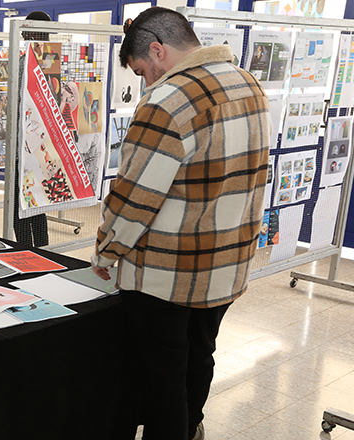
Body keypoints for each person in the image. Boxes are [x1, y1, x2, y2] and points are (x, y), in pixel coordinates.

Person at [90, 7, 271, 440]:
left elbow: (134, 197)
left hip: (167, 276)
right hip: (227, 266)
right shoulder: (249, 83)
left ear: (158, 48)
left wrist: (106, 250)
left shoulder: (167, 99)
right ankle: (191, 429)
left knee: (162, 379)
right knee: (199, 357)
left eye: (143, 70)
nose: (146, 82)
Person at [13, 10, 51, 247]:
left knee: (24, 201)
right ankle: (40, 249)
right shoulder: (48, 60)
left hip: (29, 144)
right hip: (36, 143)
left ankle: (28, 248)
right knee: (36, 200)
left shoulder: (27, 62)